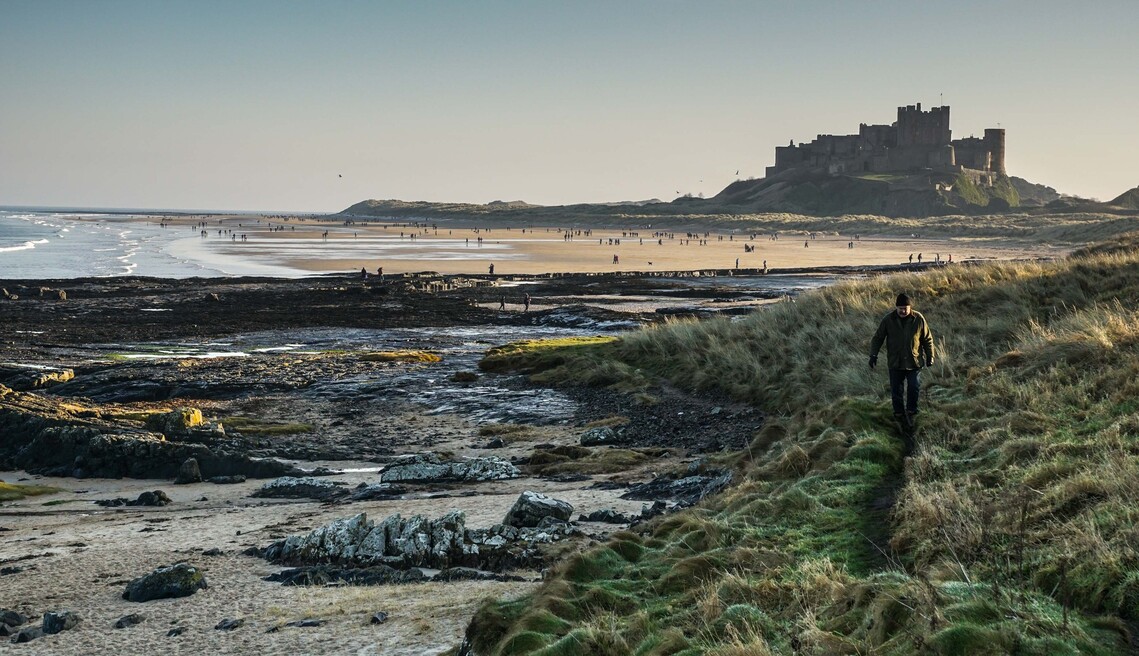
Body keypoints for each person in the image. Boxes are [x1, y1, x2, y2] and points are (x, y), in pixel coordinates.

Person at [869, 293, 935, 442]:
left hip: (914, 363)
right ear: (896, 307)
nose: (903, 311)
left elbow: (927, 339)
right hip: (895, 363)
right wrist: (873, 355)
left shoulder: (918, 319)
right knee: (896, 391)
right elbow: (878, 338)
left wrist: (931, 356)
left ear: (910, 307)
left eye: (905, 308)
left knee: (913, 387)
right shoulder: (888, 320)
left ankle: (912, 412)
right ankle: (898, 415)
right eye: (900, 308)